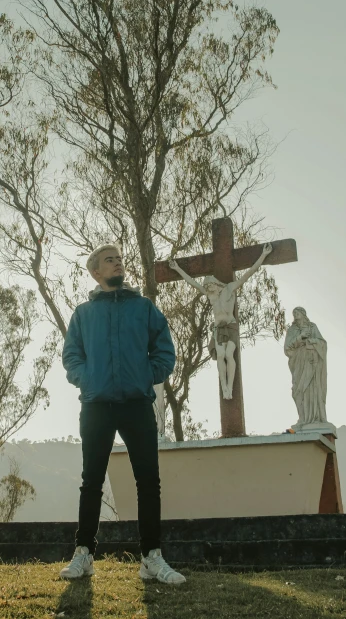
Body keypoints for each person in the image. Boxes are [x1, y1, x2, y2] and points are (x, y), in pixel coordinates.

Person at [60, 243, 186, 585]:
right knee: (92, 482)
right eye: (109, 260)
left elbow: (164, 349)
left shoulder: (144, 308)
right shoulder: (83, 314)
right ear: (95, 272)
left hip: (136, 404)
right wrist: (86, 380)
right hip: (96, 405)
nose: (117, 264)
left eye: (119, 259)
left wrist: (148, 375)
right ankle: (84, 554)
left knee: (148, 481)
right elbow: (71, 356)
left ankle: (151, 559)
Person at [169, 243, 272, 399]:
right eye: (207, 287)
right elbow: (192, 282)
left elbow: (248, 273)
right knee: (221, 354)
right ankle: (224, 386)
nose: (208, 289)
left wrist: (263, 255)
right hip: (218, 329)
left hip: (230, 327)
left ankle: (230, 386)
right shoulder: (212, 296)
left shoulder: (229, 289)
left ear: (215, 284)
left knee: (229, 354)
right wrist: (177, 268)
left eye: (210, 286)